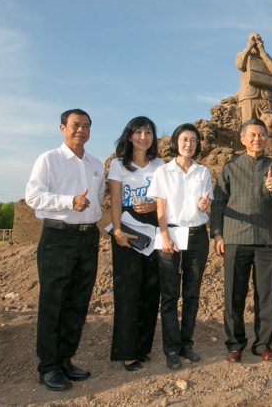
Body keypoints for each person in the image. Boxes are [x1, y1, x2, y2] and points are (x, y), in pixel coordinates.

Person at [25, 109, 104, 391]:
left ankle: (65, 360)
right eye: (75, 125)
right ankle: (48, 367)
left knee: (78, 303)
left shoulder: (96, 164)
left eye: (86, 126)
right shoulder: (49, 159)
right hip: (58, 238)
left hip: (87, 238)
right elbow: (33, 196)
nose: (81, 130)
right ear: (62, 128)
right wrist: (69, 201)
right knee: (53, 303)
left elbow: (98, 197)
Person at [211, 118, 272, 363]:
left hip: (268, 239)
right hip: (235, 237)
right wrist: (218, 234)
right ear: (243, 139)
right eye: (253, 135)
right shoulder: (230, 167)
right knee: (234, 293)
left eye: (262, 134)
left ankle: (263, 345)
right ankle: (235, 344)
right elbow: (218, 202)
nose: (258, 139)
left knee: (266, 294)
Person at [147, 123, 213, 370]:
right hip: (171, 235)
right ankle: (171, 348)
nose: (189, 144)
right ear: (176, 142)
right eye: (185, 139)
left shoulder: (203, 171)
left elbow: (204, 203)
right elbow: (160, 206)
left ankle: (186, 343)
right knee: (170, 294)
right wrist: (164, 235)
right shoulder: (163, 172)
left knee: (192, 293)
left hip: (197, 236)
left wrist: (204, 205)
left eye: (193, 140)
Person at [108, 116, 164, 371]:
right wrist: (117, 230)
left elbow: (164, 199)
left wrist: (153, 206)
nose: (143, 137)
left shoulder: (159, 165)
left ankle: (142, 347)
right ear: (129, 135)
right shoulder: (118, 165)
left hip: (153, 228)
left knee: (151, 291)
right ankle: (127, 352)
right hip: (127, 230)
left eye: (148, 132)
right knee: (128, 291)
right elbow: (115, 201)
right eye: (138, 132)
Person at [235, 33, 272, 126]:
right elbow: (240, 65)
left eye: (259, 40)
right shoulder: (242, 54)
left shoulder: (265, 57)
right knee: (249, 125)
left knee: (269, 126)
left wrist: (262, 51)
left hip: (266, 97)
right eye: (253, 39)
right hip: (249, 95)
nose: (256, 42)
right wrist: (249, 48)